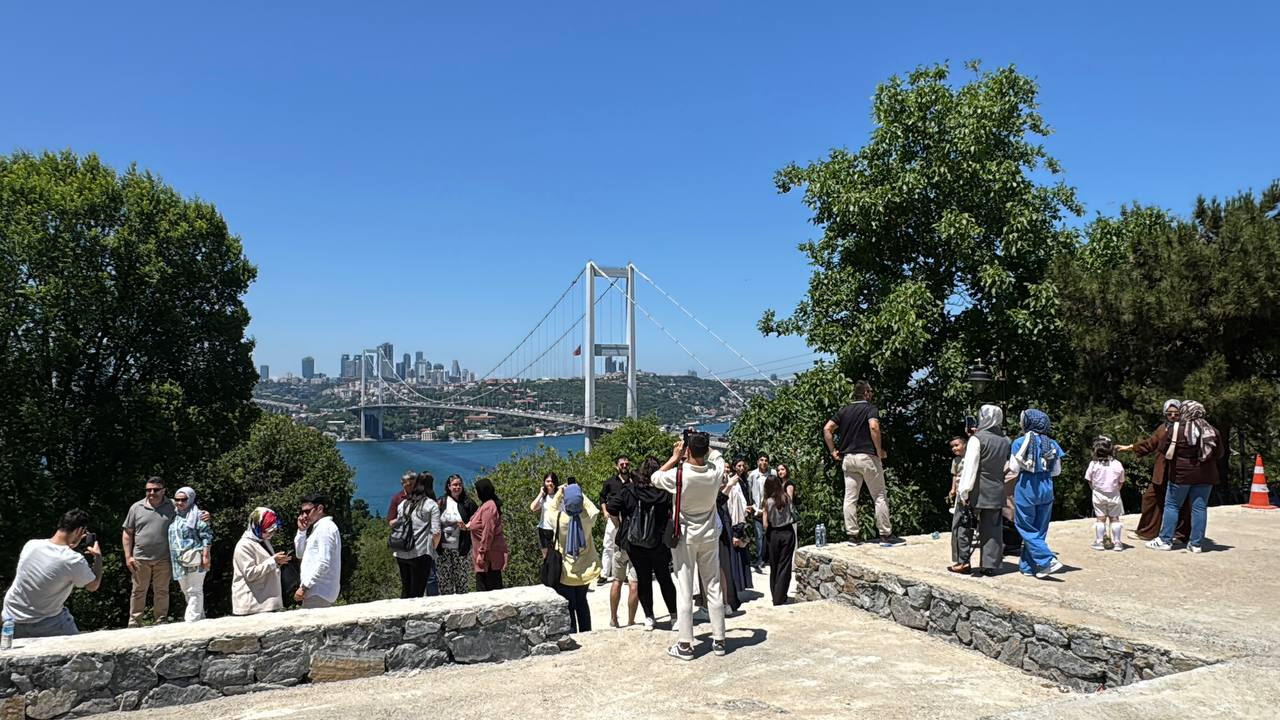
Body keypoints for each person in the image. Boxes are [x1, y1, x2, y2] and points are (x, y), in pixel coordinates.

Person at [651, 433, 727, 661]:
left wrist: (675, 457)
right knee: (713, 585)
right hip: (710, 535)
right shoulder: (715, 471)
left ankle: (685, 644)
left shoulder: (679, 474)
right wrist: (699, 443)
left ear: (687, 451)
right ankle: (720, 640)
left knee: (684, 588)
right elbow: (718, 456)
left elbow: (655, 477)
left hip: (685, 536)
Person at [121, 476, 208, 627]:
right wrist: (128, 556)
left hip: (164, 557)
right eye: (148, 490)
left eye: (155, 490)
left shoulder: (173, 505)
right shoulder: (136, 507)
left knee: (162, 590)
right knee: (138, 590)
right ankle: (134, 621)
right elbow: (127, 532)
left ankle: (161, 620)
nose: (151, 493)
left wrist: (205, 514)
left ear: (163, 491)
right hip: (140, 557)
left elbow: (190, 510)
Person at [2, 509, 103, 638]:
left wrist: (69, 546)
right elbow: (93, 586)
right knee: (78, 646)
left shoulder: (31, 545)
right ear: (79, 531)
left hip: (11, 617)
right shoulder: (73, 560)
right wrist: (98, 557)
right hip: (44, 622)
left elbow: (52, 561)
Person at [823, 381, 897, 545]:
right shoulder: (870, 408)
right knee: (879, 496)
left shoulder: (844, 411)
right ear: (866, 393)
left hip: (848, 458)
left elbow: (827, 428)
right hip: (867, 456)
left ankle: (852, 535)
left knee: (850, 498)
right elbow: (874, 427)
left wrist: (833, 450)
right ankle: (885, 534)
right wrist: (879, 450)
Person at [1147, 400, 1222, 553]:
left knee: (1172, 506)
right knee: (1199, 508)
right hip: (1206, 475)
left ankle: (1165, 540)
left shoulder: (1177, 429)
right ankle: (1196, 544)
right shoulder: (1212, 430)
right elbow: (1219, 453)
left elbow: (1163, 448)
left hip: (1180, 475)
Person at [615, 457, 678, 631]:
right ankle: (674, 616)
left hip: (636, 543)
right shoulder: (665, 492)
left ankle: (649, 617)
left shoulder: (630, 490)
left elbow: (613, 507)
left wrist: (624, 522)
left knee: (643, 580)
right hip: (659, 542)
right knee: (665, 579)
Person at [1116, 400, 1191, 542]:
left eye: (1176, 413)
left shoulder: (1186, 429)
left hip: (1180, 472)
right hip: (1162, 472)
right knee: (1151, 499)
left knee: (1181, 503)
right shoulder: (1163, 428)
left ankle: (1181, 534)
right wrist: (1131, 447)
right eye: (1169, 413)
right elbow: (1150, 443)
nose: (1173, 416)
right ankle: (1148, 532)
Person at [953, 406, 1012, 577]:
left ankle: (963, 561)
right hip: (996, 489)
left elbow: (970, 467)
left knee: (962, 524)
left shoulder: (976, 439)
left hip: (977, 489)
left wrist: (964, 491)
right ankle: (989, 565)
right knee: (992, 528)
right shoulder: (1005, 440)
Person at [1009, 409, 1066, 578]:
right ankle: (1029, 567)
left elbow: (1013, 468)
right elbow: (1056, 471)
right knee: (1039, 528)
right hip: (1047, 486)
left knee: (1025, 526)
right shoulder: (1052, 443)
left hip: (1027, 487)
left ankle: (1047, 560)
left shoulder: (1019, 442)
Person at [550, 483, 602, 632]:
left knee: (569, 605)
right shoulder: (588, 519)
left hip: (566, 572)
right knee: (582, 602)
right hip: (585, 570)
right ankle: (586, 631)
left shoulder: (559, 519)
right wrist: (580, 494)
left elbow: (551, 509)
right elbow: (593, 509)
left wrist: (560, 493)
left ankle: (572, 632)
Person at [392, 473, 442, 598]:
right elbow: (436, 532)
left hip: (401, 551)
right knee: (417, 593)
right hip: (421, 552)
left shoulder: (403, 504)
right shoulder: (431, 505)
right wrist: (432, 549)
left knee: (406, 590)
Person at [232, 507, 288, 615]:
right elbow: (250, 573)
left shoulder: (263, 541)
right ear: (257, 526)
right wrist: (273, 561)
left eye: (273, 531)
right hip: (252, 605)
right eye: (268, 531)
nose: (270, 534)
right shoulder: (244, 545)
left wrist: (278, 562)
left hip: (266, 603)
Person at [168, 486, 213, 622]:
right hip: (178, 560)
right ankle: (200, 617)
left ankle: (191, 620)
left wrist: (206, 556)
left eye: (184, 499)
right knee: (185, 590)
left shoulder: (199, 515)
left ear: (191, 499)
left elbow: (206, 536)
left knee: (195, 589)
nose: (180, 502)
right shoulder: (173, 515)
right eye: (177, 499)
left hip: (195, 557)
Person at [294, 493, 342, 608]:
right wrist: (301, 532)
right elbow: (300, 554)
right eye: (302, 512)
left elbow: (324, 563)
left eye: (307, 511)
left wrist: (304, 587)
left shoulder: (325, 528)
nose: (304, 516)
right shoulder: (319, 528)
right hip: (315, 592)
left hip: (319, 592)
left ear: (320, 509)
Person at [438, 474, 477, 594]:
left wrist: (467, 526)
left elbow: (477, 519)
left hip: (461, 549)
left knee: (461, 582)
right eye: (455, 485)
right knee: (445, 583)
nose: (457, 487)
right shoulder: (441, 502)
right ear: (449, 486)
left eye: (459, 484)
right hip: (443, 549)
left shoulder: (468, 503)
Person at [1086, 436, 1126, 552]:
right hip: (1114, 494)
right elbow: (1121, 481)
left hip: (1098, 494)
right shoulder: (1117, 464)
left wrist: (1094, 489)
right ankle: (1117, 543)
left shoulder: (1093, 464)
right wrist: (1116, 490)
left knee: (1100, 519)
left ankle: (1099, 542)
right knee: (1115, 518)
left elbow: (1089, 479)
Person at [467, 478, 508, 591]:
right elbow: (476, 522)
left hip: (489, 559)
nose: (476, 493)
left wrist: (482, 553)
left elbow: (488, 531)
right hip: (486, 558)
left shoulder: (489, 507)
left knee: (488, 588)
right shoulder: (485, 505)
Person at [762, 475, 796, 606]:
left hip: (774, 533)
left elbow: (765, 524)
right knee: (785, 565)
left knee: (774, 566)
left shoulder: (767, 502)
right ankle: (781, 595)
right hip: (787, 532)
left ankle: (775, 594)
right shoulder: (786, 498)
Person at [598, 456, 631, 585]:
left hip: (627, 519)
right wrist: (605, 512)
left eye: (626, 464)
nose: (624, 466)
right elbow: (602, 498)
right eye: (622, 464)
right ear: (617, 466)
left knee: (627, 546)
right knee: (608, 545)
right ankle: (604, 574)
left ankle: (627, 574)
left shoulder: (633, 481)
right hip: (612, 517)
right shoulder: (610, 482)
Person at [945, 435, 972, 573]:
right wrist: (953, 490)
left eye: (957, 445)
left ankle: (964, 561)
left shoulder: (970, 458)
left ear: (964, 445)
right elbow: (954, 475)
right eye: (953, 447)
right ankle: (960, 559)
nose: (955, 448)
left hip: (967, 492)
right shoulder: (956, 461)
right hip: (959, 491)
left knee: (962, 524)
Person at [746, 454, 775, 571]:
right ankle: (759, 559)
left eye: (766, 460)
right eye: (761, 460)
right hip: (757, 509)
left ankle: (768, 558)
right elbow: (749, 491)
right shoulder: (753, 475)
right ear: (758, 461)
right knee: (758, 535)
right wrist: (750, 507)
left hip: (770, 508)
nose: (764, 462)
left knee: (769, 534)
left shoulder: (773, 473)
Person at [529, 472, 561, 561]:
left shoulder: (560, 496)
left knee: (557, 556)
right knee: (546, 557)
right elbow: (533, 507)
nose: (550, 483)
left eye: (552, 481)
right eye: (548, 481)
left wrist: (560, 489)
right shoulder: (544, 497)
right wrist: (541, 494)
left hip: (556, 530)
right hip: (543, 529)